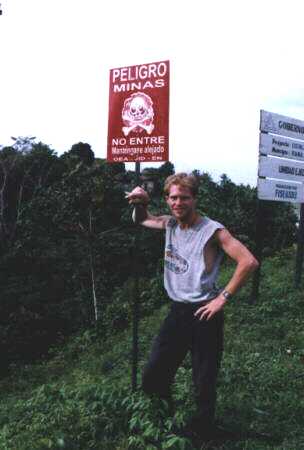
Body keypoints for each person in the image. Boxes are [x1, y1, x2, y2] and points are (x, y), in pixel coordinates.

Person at [126, 173, 258, 441]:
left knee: (204, 379)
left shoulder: (213, 231)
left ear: (195, 198)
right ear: (167, 199)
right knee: (154, 372)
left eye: (184, 197)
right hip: (177, 311)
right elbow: (142, 220)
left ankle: (204, 433)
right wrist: (140, 202)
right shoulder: (170, 224)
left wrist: (223, 298)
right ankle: (163, 421)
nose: (178, 203)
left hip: (204, 312)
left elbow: (249, 261)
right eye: (173, 197)